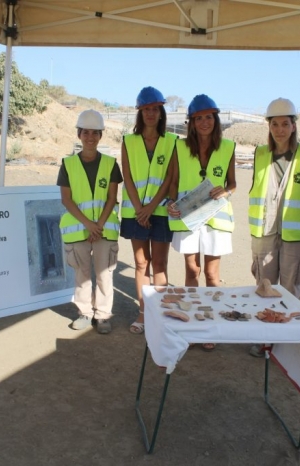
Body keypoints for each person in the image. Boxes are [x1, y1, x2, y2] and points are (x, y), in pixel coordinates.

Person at [248, 98, 300, 357]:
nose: (279, 129)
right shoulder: (260, 154)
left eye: (285, 124)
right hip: (264, 232)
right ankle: (265, 341)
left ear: (293, 125)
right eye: (275, 124)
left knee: (290, 290)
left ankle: (286, 341)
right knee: (264, 287)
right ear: (269, 126)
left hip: (296, 235)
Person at [168, 94, 236, 351]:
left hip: (216, 220)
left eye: (209, 117)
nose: (205, 122)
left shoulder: (228, 147)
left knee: (212, 274)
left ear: (215, 120)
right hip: (188, 219)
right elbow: (173, 182)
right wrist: (170, 201)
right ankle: (193, 324)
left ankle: (212, 325)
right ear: (192, 122)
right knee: (192, 272)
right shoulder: (180, 147)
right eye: (199, 118)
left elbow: (233, 183)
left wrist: (226, 192)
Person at [58, 109, 123, 335]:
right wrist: (88, 224)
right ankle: (85, 313)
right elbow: (66, 200)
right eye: (86, 132)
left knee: (105, 275)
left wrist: (99, 225)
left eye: (95, 133)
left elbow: (112, 198)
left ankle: (103, 315)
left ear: (101, 136)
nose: (90, 137)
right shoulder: (68, 165)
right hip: (80, 230)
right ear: (79, 134)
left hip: (103, 230)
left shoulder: (111, 164)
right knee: (83, 274)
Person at [121, 86, 178, 335]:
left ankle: (161, 313)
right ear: (140, 113)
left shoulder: (173, 141)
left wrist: (151, 208)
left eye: (155, 109)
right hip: (136, 211)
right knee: (141, 262)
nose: (151, 114)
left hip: (160, 211)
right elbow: (128, 177)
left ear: (161, 112)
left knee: (160, 264)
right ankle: (143, 312)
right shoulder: (128, 141)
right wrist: (139, 209)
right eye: (146, 109)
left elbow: (169, 178)